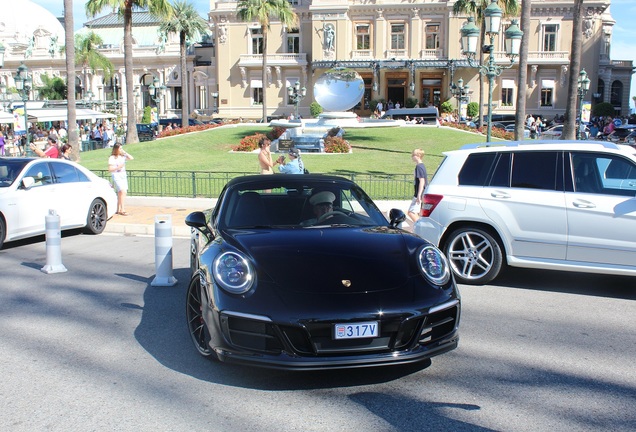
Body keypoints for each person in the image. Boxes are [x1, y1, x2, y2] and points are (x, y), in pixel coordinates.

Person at [108, 143, 134, 215]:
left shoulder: (123, 156)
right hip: (116, 175)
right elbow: (110, 169)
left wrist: (125, 152)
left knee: (121, 192)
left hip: (123, 175)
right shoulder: (112, 158)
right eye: (120, 148)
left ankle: (118, 209)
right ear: (116, 149)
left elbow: (131, 158)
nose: (121, 150)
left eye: (121, 148)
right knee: (123, 191)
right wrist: (118, 167)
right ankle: (122, 209)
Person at [408, 148, 427, 223]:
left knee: (411, 212)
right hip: (421, 192)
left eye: (413, 155)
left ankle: (420, 228)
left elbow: (422, 181)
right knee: (417, 213)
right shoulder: (421, 165)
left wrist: (419, 195)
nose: (412, 156)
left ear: (418, 156)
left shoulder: (419, 167)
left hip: (419, 193)